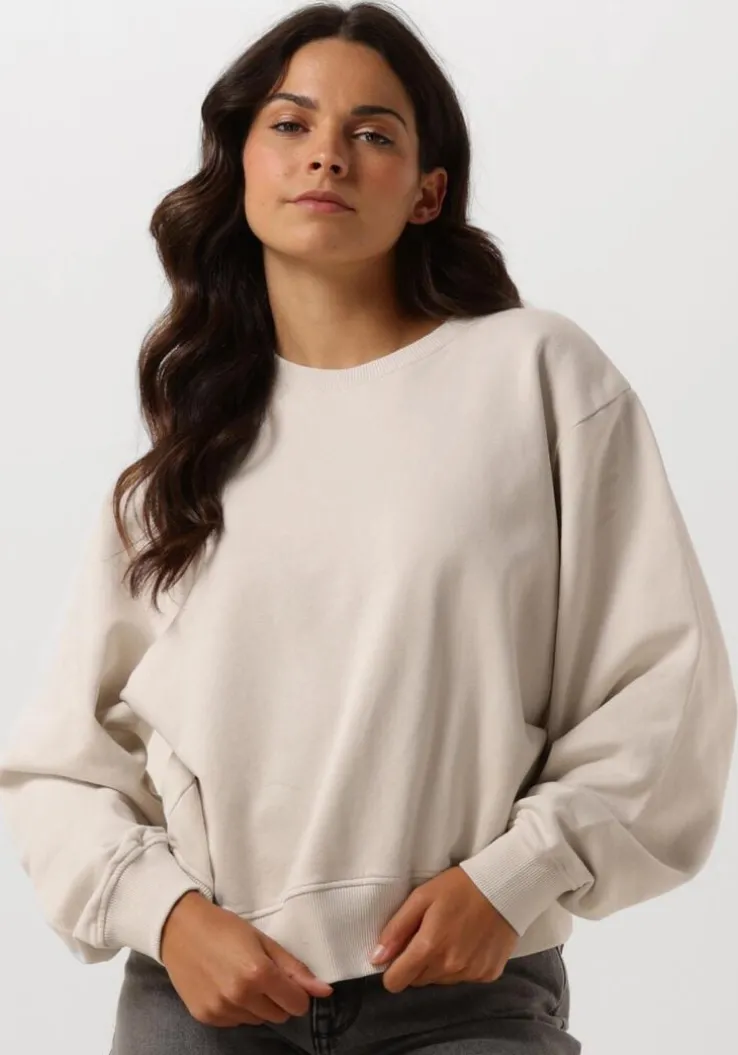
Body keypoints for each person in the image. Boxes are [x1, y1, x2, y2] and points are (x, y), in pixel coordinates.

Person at [0, 3, 735, 1053]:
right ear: (242, 166)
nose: (328, 155)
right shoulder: (184, 458)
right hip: (203, 1005)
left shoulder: (536, 377)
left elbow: (670, 684)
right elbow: (62, 764)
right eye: (290, 124)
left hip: (465, 996)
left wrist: (515, 874)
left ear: (428, 190)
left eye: (374, 133)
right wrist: (168, 916)